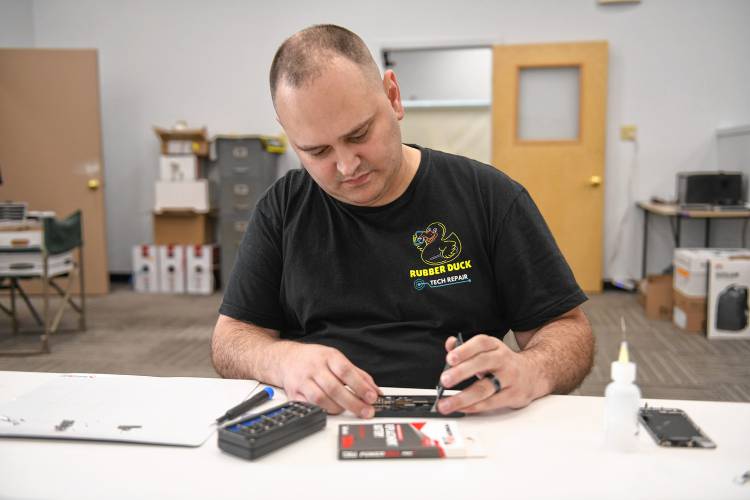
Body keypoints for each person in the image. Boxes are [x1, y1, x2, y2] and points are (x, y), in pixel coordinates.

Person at [211, 24, 594, 419]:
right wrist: (281, 359)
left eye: (359, 135)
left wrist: (530, 370)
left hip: (461, 422)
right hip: (320, 426)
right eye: (317, 150)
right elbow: (231, 338)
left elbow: (568, 329)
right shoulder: (283, 207)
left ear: (393, 96)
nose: (346, 165)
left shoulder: (488, 196)